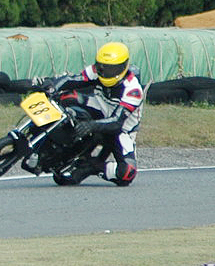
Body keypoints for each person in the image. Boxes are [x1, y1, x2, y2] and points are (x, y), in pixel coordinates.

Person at [46, 41, 144, 186]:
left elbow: (116, 122)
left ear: (124, 66)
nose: (105, 72)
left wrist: (91, 125)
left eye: (111, 68)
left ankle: (92, 166)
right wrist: (52, 87)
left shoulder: (133, 90)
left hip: (122, 130)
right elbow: (71, 80)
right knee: (67, 96)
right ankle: (47, 133)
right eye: (102, 67)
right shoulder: (96, 70)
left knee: (127, 173)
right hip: (98, 109)